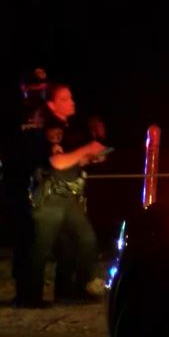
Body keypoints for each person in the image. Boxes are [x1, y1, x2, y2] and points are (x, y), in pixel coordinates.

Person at [26, 83, 107, 306]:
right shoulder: (49, 127)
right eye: (65, 99)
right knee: (41, 246)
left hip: (67, 196)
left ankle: (73, 290)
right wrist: (87, 149)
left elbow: (69, 159)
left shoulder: (67, 127)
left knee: (83, 240)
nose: (72, 102)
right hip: (50, 196)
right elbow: (57, 162)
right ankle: (29, 296)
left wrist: (89, 157)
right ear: (52, 104)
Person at [0, 67, 48, 308]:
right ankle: (23, 292)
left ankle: (37, 292)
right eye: (34, 84)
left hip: (45, 184)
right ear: (23, 87)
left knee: (41, 238)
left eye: (42, 83)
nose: (39, 88)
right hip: (17, 182)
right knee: (23, 238)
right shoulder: (9, 113)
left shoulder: (49, 111)